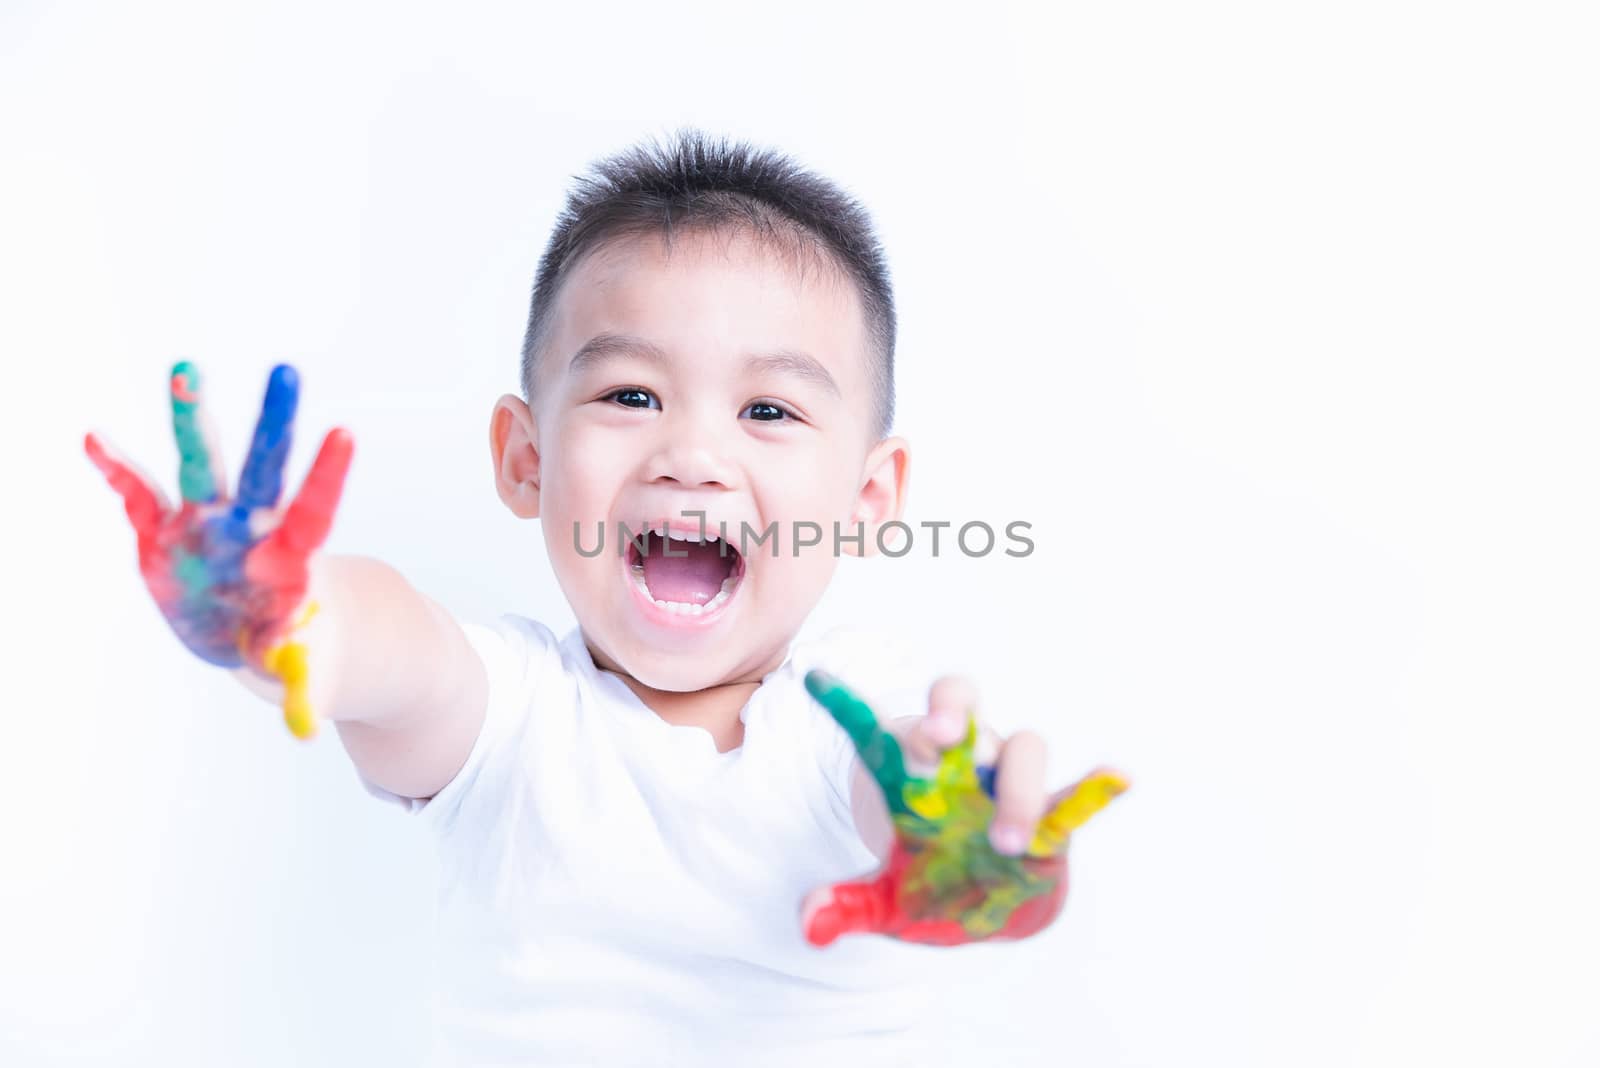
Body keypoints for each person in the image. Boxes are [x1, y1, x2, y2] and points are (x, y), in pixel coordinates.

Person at [85, 127, 1100, 1067]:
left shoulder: (859, 714)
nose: (693, 455)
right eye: (630, 396)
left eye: (768, 409)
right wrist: (286, 615)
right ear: (525, 458)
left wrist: (978, 860)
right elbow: (396, 651)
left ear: (866, 497)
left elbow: (908, 805)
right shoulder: (509, 713)